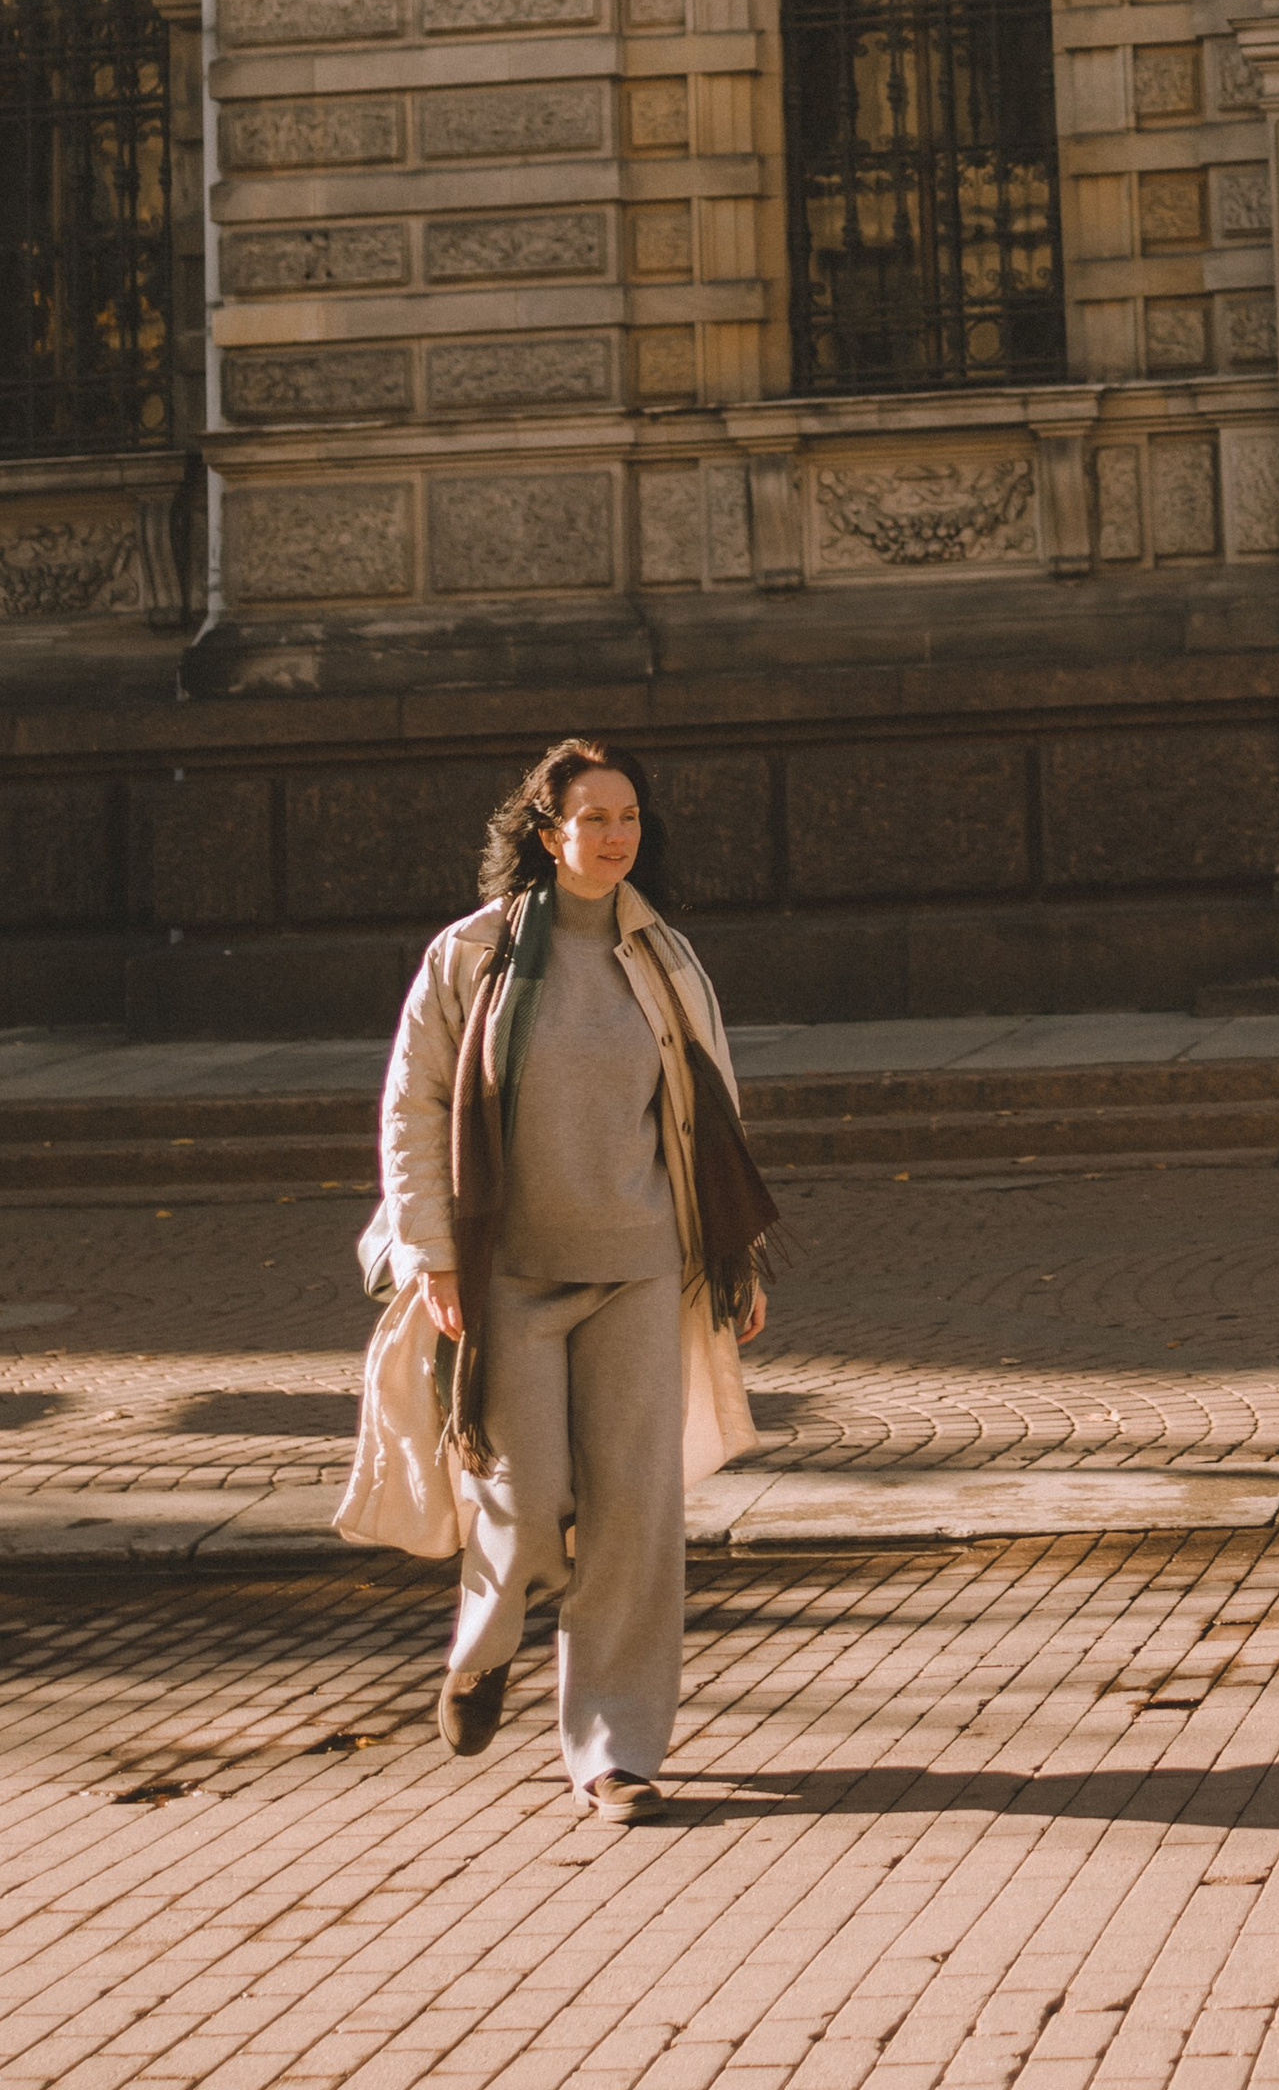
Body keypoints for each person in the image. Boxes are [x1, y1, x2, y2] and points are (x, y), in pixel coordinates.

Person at [377, 735, 763, 1822]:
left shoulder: (663, 955)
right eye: (594, 818)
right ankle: (486, 1641)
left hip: (639, 1267)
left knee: (635, 1515)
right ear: (548, 834)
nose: (615, 836)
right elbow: (414, 1108)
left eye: (629, 817)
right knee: (526, 1496)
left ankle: (614, 1752)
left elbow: (713, 1115)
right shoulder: (472, 955)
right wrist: (431, 1253)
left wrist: (728, 1259)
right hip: (509, 1276)